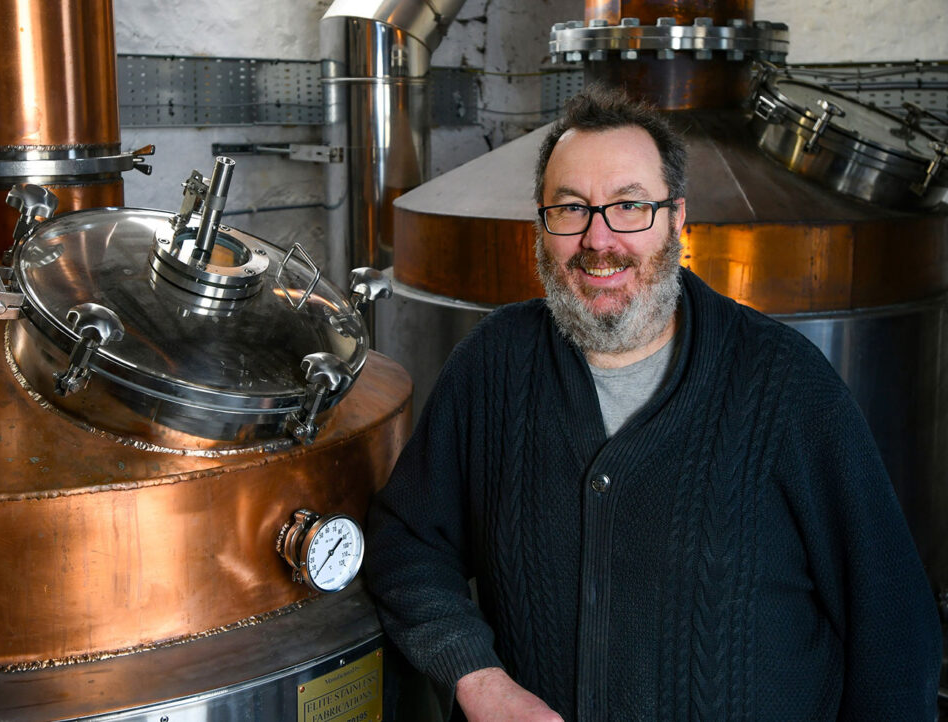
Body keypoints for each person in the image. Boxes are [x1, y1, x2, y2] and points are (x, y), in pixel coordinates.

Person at [364, 84, 941, 721]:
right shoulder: (494, 364)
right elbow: (407, 542)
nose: (599, 238)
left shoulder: (784, 384)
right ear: (542, 223)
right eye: (571, 208)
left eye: (630, 206)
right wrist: (476, 675)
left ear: (677, 219)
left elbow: (893, 625)